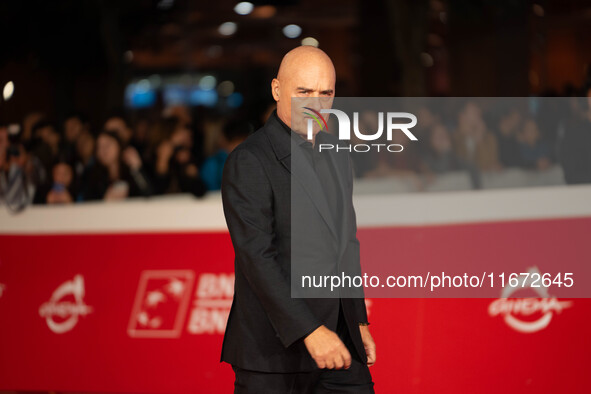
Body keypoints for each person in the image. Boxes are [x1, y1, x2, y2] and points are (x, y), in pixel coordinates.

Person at [220, 46, 376, 393]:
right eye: (303, 92)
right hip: (273, 353)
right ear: (277, 90)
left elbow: (346, 243)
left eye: (326, 93)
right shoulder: (250, 161)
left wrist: (358, 319)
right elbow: (257, 258)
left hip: (339, 342)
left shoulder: (337, 154)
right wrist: (310, 330)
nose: (316, 104)